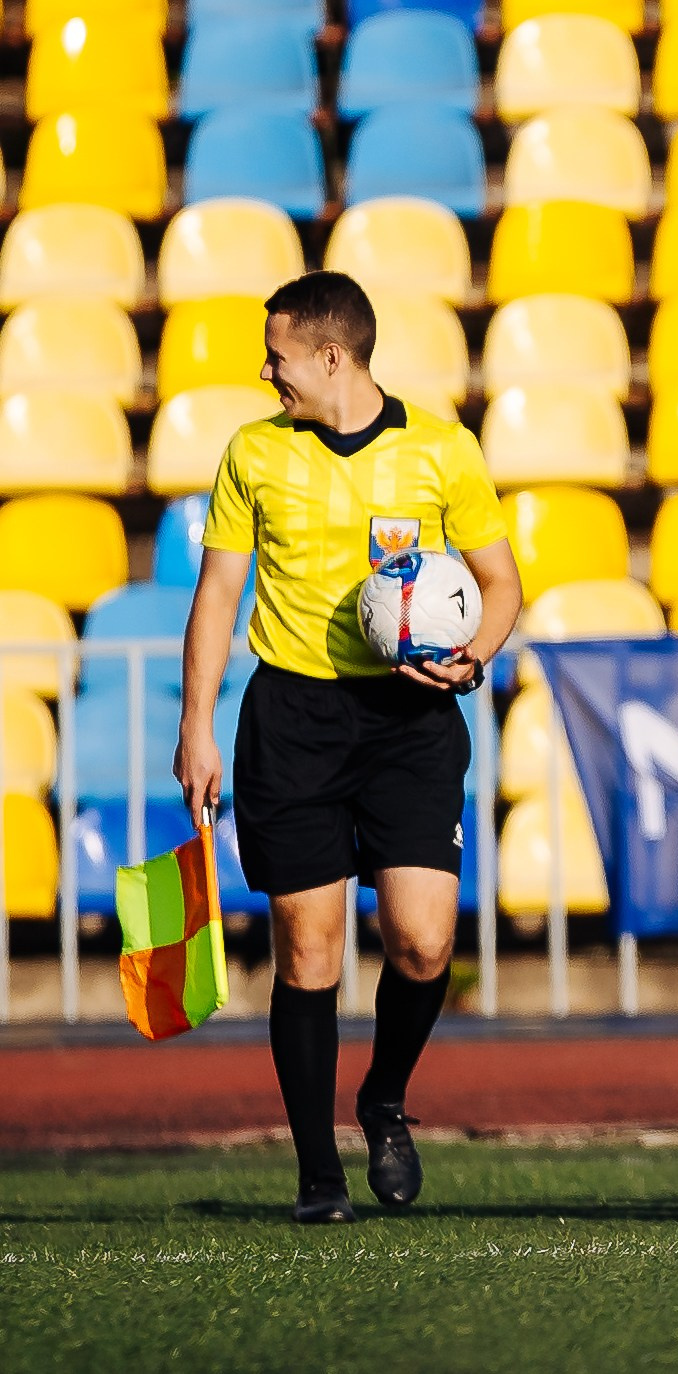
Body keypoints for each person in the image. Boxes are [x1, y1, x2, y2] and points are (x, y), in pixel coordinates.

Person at [174, 272, 525, 1224]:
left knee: (421, 942)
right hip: (291, 721)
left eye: (277, 355)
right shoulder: (253, 451)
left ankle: (384, 1099)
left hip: (410, 724)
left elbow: (500, 583)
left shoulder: (443, 450)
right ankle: (317, 1173)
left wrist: (475, 658)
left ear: (332, 357)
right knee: (309, 951)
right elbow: (217, 596)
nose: (265, 371)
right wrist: (195, 724)